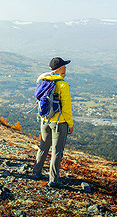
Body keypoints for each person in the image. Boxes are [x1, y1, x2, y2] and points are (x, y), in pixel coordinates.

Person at [32, 57, 74, 188]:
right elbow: (66, 107)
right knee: (57, 151)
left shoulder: (44, 81)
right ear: (59, 68)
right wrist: (70, 124)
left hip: (45, 119)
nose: (66, 68)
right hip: (59, 123)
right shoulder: (62, 85)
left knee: (43, 146)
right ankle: (53, 180)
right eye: (64, 66)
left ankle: (36, 172)